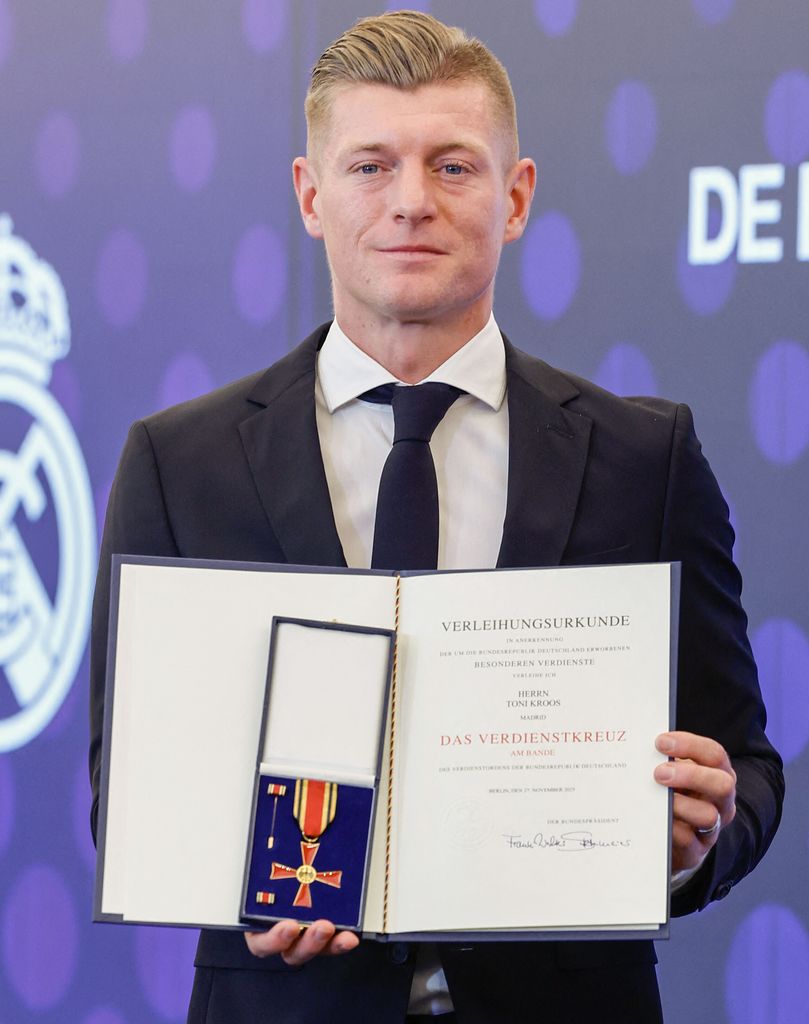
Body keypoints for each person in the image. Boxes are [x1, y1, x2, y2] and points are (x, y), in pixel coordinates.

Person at [89, 11, 783, 1023]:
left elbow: (745, 763)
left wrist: (691, 842)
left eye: (452, 166)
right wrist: (232, 886)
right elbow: (130, 793)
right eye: (370, 165)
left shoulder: (645, 457)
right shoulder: (179, 461)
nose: (410, 201)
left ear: (514, 197)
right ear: (310, 194)